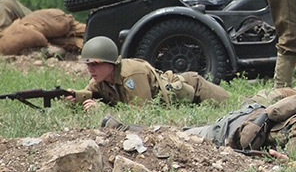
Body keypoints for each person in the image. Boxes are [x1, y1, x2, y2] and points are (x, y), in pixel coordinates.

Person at [66, 36, 230, 109]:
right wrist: (74, 96)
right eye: (87, 64)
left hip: (193, 87)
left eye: (95, 64)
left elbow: (141, 111)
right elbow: (89, 94)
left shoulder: (131, 75)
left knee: (237, 105)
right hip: (183, 101)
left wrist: (102, 111)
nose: (90, 69)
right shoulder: (99, 80)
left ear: (110, 63)